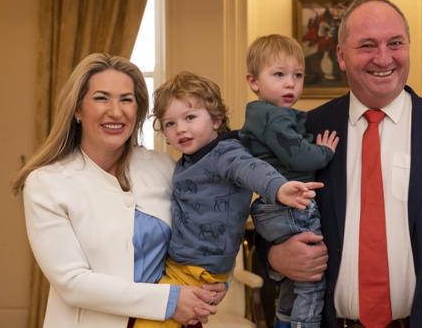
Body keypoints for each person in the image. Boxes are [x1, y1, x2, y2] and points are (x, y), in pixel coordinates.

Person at [264, 0, 422, 328]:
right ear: (341, 57)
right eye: (367, 45)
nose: (383, 57)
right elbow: (266, 220)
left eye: (395, 43)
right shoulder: (305, 132)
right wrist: (275, 258)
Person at [12, 53, 225, 328]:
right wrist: (170, 301)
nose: (116, 111)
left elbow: (212, 219)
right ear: (77, 110)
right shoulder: (46, 183)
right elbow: (72, 283)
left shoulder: (164, 168)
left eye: (126, 99)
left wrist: (216, 279)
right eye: (101, 98)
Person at [134, 71, 324, 328]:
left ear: (216, 120)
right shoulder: (186, 161)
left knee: (148, 323)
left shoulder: (226, 153)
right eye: (170, 123)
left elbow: (251, 169)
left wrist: (279, 188)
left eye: (190, 117)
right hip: (181, 265)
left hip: (197, 270)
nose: (181, 129)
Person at [238, 34, 339, 328]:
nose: (290, 83)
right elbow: (298, 156)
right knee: (312, 276)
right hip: (292, 206)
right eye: (279, 74)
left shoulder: (264, 115)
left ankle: (284, 319)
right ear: (254, 81)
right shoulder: (274, 118)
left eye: (298, 75)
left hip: (271, 208)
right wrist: (325, 151)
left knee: (293, 281)